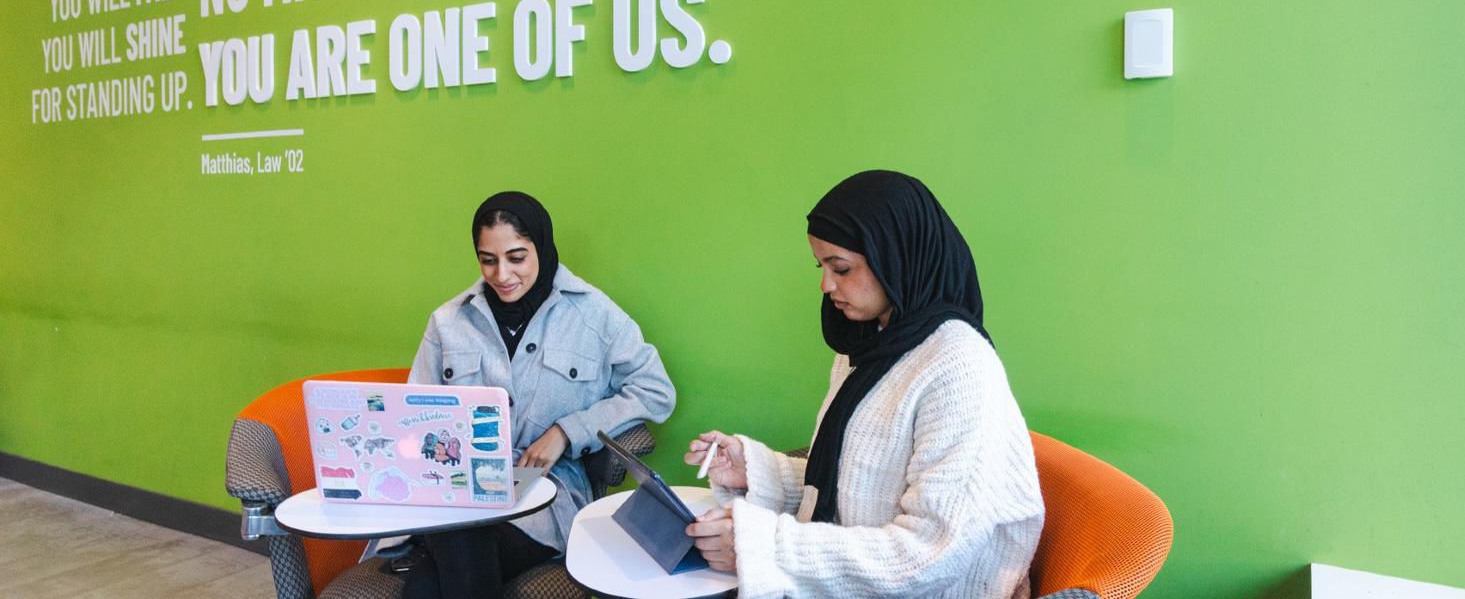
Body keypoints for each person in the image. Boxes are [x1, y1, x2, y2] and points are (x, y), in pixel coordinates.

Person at [683, 170, 1044, 599]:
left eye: (842, 268)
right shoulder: (868, 345)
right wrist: (756, 471)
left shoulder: (958, 368)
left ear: (898, 257)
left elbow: (929, 556)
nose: (825, 285)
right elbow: (858, 484)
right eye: (821, 266)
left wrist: (763, 547)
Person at [404, 191, 676, 599]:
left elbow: (655, 390)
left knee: (446, 557)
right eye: (488, 259)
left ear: (542, 248)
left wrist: (568, 431)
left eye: (517, 257)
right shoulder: (448, 321)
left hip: (542, 494)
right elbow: (413, 410)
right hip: (458, 490)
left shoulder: (592, 314)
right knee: (445, 556)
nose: (501, 275)